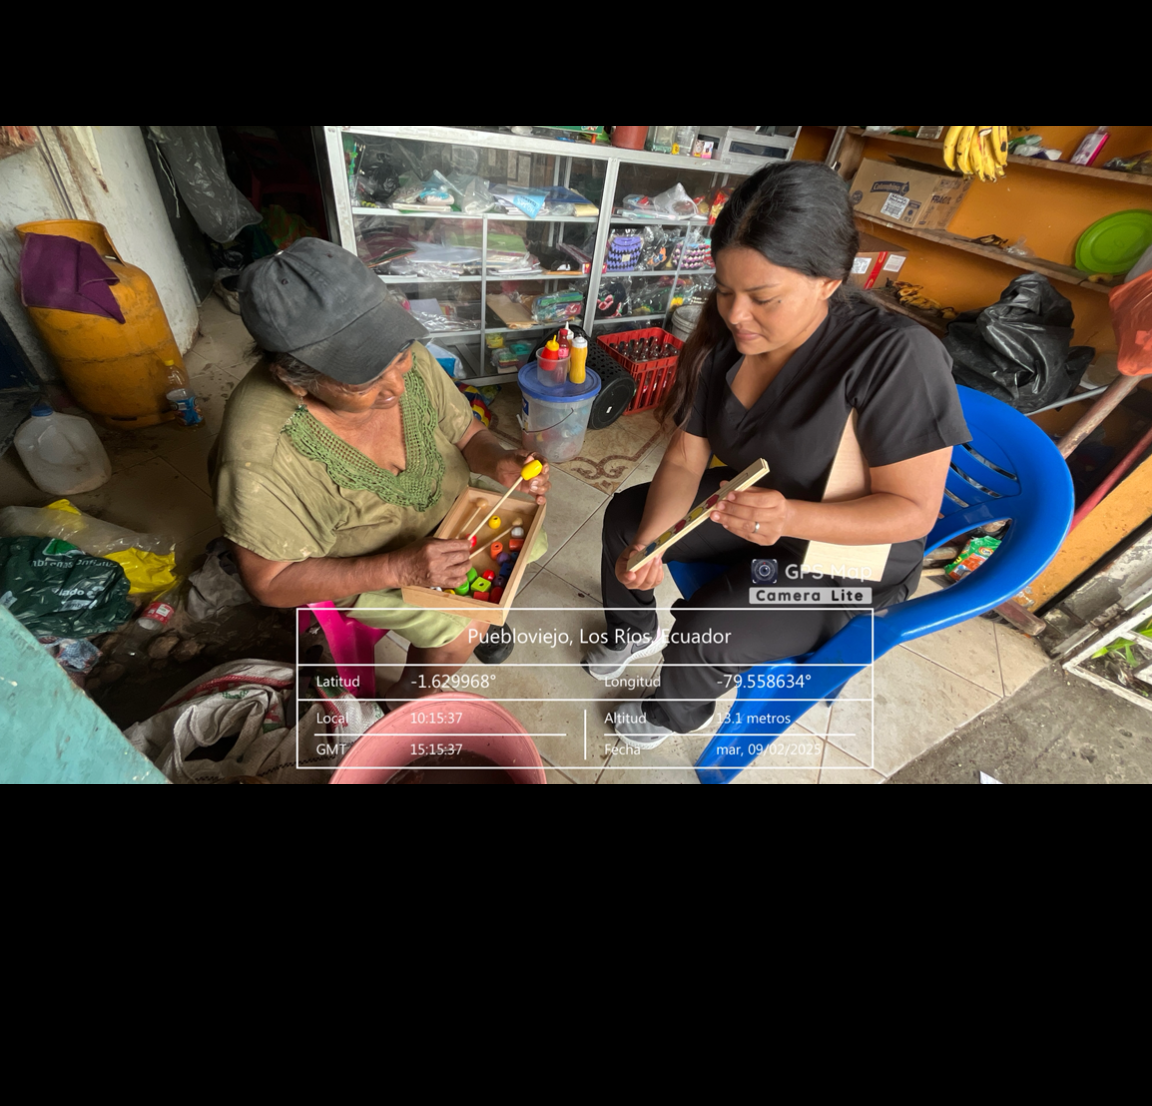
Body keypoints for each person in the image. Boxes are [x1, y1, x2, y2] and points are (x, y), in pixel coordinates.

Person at [589, 160, 968, 748]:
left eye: (763, 298)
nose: (736, 315)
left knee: (705, 629)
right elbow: (686, 459)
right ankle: (632, 627)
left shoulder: (896, 356)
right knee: (626, 523)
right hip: (759, 508)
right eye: (725, 290)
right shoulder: (723, 339)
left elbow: (912, 512)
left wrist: (789, 517)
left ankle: (675, 713)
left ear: (828, 281)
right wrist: (651, 545)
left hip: (848, 561)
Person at [209, 238, 547, 692]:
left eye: (400, 357)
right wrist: (398, 569)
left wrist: (498, 460)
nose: (397, 387)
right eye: (363, 380)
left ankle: (482, 617)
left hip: (453, 514)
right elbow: (269, 582)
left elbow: (467, 433)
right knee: (458, 633)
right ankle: (408, 699)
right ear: (295, 380)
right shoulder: (261, 455)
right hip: (365, 566)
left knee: (521, 542)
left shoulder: (397, 353)